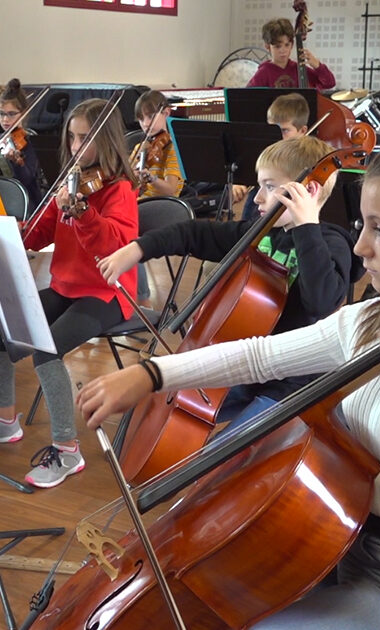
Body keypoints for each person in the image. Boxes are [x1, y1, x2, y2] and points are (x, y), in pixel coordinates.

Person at [79, 132, 380, 627]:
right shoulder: (374, 319)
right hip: (332, 549)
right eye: (362, 224)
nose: (361, 247)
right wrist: (152, 373)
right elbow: (260, 357)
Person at [98, 135, 361, 434]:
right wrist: (138, 248)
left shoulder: (331, 243)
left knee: (224, 456)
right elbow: (193, 234)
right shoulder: (260, 232)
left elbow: (322, 301)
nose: (258, 198)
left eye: (270, 186)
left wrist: (307, 227)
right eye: (259, 186)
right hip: (245, 365)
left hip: (293, 380)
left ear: (308, 190)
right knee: (162, 410)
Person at [0, 98, 139, 489]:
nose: (77, 145)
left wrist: (84, 214)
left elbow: (115, 249)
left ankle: (67, 450)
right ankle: (6, 419)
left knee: (47, 349)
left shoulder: (119, 190)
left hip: (107, 293)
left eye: (85, 138)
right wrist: (3, 229)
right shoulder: (72, 179)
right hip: (66, 285)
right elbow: (38, 232)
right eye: (72, 137)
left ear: (107, 140)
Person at [236, 93, 312, 221]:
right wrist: (238, 182)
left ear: (303, 131)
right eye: (272, 129)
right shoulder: (266, 151)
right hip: (263, 205)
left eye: (285, 130)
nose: (277, 136)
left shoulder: (306, 157)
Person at [0, 78, 45, 212]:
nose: (5, 119)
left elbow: (27, 181)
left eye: (11, 114)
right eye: (1, 113)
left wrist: (16, 162)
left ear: (24, 113)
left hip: (25, 203)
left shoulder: (30, 142)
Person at [247, 18, 336, 89]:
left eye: (287, 45)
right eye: (277, 46)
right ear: (267, 47)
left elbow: (329, 83)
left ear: (292, 45)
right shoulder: (264, 72)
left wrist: (317, 66)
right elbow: (248, 96)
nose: (283, 50)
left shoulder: (298, 69)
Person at [128, 90, 184, 199]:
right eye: (141, 119)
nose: (145, 123)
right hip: (137, 203)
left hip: (160, 205)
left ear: (166, 113)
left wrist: (150, 178)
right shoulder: (140, 148)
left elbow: (171, 190)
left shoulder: (173, 148)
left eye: (150, 116)